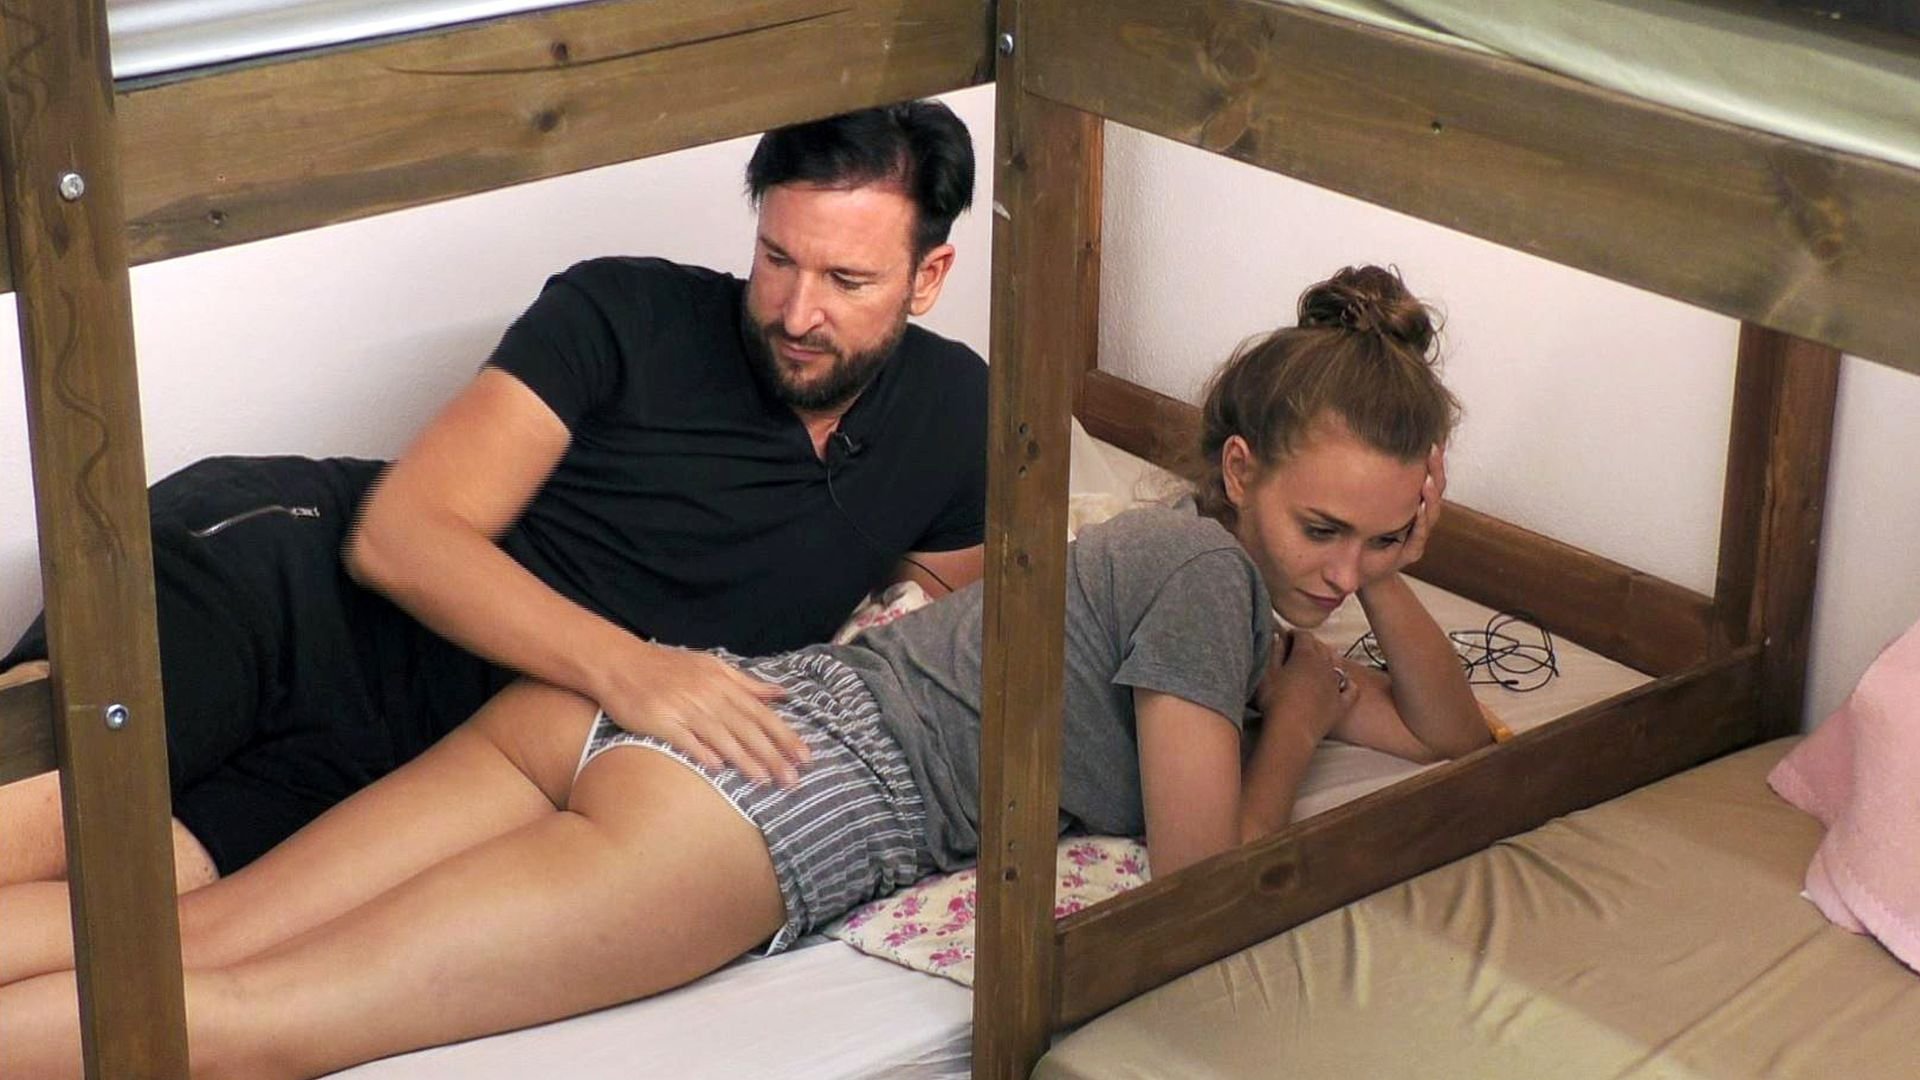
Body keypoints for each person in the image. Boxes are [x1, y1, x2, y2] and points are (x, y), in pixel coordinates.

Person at [0, 266, 1493, 1079]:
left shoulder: (1195, 579)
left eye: (1380, 540)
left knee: (199, 941)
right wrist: (1295, 722)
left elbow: (1450, 738)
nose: (1339, 572)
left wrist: (1384, 582)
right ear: (1236, 471)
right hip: (767, 808)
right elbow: (1200, 883)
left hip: (640, 701)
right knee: (256, 1023)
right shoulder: (1205, 585)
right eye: (1324, 530)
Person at [0, 102, 987, 899]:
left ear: (929, 276)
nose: (798, 311)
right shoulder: (623, 313)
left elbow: (918, 645)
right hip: (283, 592)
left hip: (412, 761)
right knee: (49, 826)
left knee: (127, 918)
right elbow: (400, 536)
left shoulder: (958, 419)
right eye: (777, 259)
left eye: (847, 279)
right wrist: (634, 669)